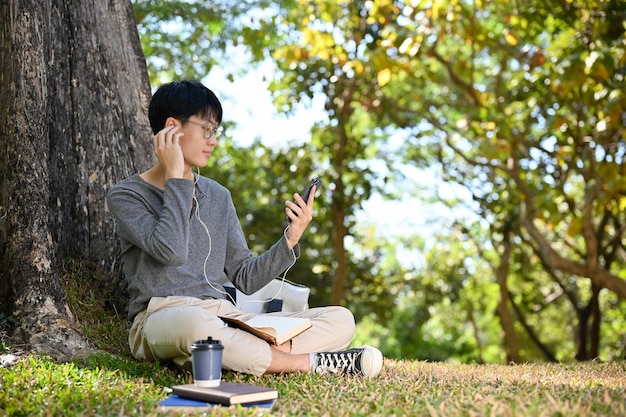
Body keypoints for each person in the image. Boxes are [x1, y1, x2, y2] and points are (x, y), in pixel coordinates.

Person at [106, 80, 383, 378]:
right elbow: (171, 251)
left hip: (228, 318)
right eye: (207, 129)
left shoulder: (218, 196)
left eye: (216, 131)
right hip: (162, 316)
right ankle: (310, 363)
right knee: (198, 326)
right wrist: (177, 178)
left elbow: (245, 277)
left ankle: (232, 354)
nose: (213, 140)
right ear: (173, 128)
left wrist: (292, 237)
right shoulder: (127, 195)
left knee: (341, 319)